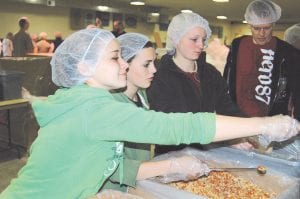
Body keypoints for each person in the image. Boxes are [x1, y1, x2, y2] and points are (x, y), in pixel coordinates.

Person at [1, 28, 298, 199]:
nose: (125, 65)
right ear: (83, 68)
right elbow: (177, 127)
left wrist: (168, 168)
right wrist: (264, 124)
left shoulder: (88, 101)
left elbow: (101, 162)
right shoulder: (93, 107)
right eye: (116, 58)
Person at [147, 12, 250, 154]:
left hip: (206, 150)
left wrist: (248, 128)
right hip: (171, 155)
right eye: (194, 39)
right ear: (176, 39)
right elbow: (176, 124)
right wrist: (228, 137)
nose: (201, 45)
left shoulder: (210, 73)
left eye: (203, 39)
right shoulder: (160, 76)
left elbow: (226, 106)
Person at [224, 0, 300, 121]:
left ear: (273, 24)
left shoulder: (288, 51)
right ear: (249, 24)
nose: (262, 33)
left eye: (267, 28)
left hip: (272, 121)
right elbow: (227, 78)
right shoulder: (237, 45)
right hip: (238, 118)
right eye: (256, 28)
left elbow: (297, 90)